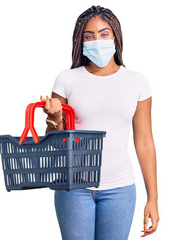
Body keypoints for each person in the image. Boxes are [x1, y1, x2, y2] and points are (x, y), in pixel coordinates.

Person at [41, 5, 160, 240]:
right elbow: (53, 142)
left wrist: (153, 199)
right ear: (81, 42)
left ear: (115, 37)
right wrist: (55, 119)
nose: (97, 41)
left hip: (120, 190)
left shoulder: (137, 82)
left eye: (104, 34)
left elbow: (145, 142)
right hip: (73, 188)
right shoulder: (66, 80)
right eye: (89, 36)